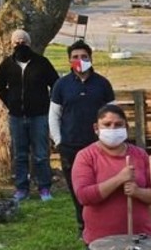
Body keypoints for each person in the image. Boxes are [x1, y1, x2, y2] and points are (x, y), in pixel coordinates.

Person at [71, 104, 151, 245]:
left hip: (141, 237)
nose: (112, 129)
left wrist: (138, 192)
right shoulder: (86, 156)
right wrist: (118, 179)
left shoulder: (140, 155)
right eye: (107, 124)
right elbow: (84, 196)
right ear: (96, 128)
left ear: (126, 128)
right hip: (102, 241)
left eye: (118, 125)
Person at [49, 40, 116, 231]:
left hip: (99, 146)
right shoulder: (61, 85)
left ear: (91, 58)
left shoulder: (102, 84)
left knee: (101, 187)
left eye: (84, 57)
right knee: (77, 189)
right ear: (69, 60)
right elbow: (54, 115)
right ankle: (84, 225)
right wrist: (59, 141)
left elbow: (114, 112)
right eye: (75, 57)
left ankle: (103, 223)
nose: (80, 60)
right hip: (70, 146)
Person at [0, 29, 59, 201]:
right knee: (20, 154)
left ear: (29, 43)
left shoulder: (42, 63)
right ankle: (21, 188)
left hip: (39, 116)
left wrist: (49, 104)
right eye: (16, 42)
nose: (20, 44)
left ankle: (44, 187)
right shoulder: (7, 64)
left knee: (40, 154)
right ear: (12, 45)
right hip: (16, 117)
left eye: (23, 41)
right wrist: (11, 103)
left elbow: (56, 84)